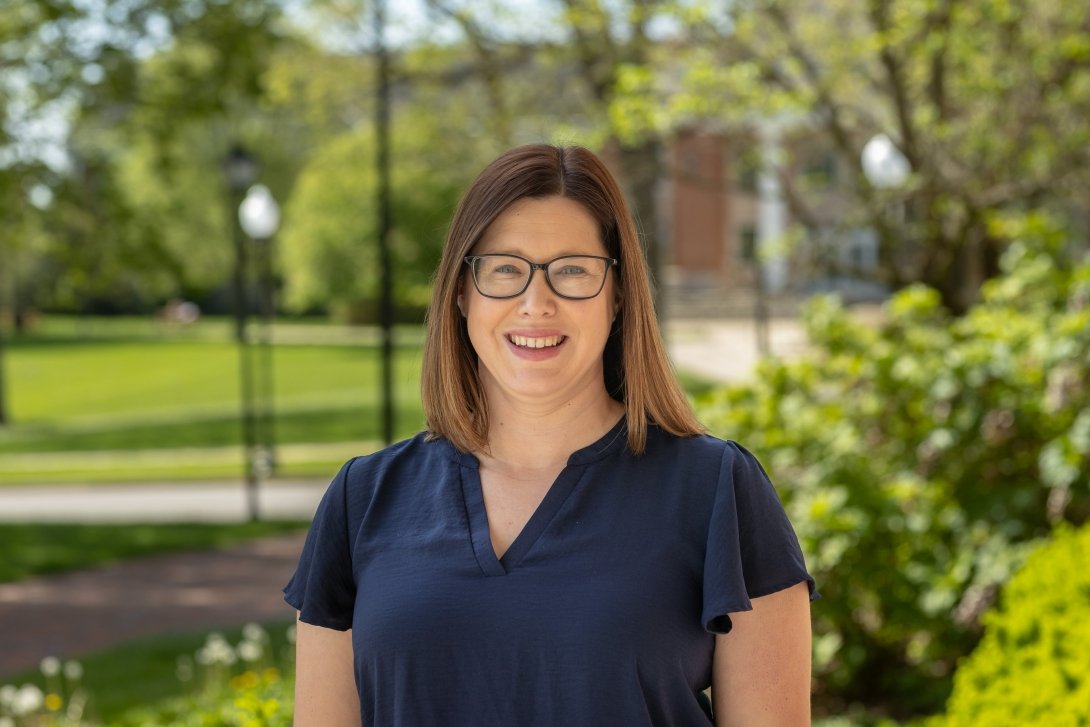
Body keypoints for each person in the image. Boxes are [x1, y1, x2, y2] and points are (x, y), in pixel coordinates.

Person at [285, 144, 817, 727]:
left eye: (572, 271)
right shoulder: (363, 499)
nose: (536, 304)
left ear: (617, 295)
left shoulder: (716, 490)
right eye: (505, 270)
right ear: (462, 292)